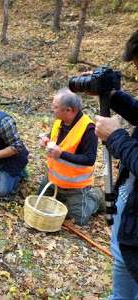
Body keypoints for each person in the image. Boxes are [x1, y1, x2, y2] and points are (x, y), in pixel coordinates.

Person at [95, 29, 138, 299]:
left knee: (125, 268)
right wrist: (114, 97)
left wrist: (116, 137)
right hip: (130, 202)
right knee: (122, 261)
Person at [38, 88, 102, 226]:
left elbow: (89, 159)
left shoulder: (88, 129)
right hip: (53, 178)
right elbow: (54, 136)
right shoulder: (59, 120)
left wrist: (61, 154)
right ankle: (61, 197)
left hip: (76, 185)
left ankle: (96, 195)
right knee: (39, 206)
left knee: (79, 220)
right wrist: (46, 139)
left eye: (55, 107)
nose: (52, 110)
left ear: (69, 110)